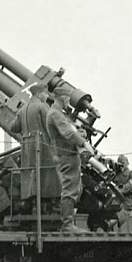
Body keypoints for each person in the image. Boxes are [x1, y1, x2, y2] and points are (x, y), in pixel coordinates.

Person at [46, 93, 94, 232]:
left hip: (70, 155)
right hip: (67, 156)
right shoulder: (55, 114)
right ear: (62, 98)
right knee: (70, 190)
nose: (69, 102)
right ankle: (67, 225)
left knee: (74, 189)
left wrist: (81, 133)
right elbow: (68, 133)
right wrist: (84, 143)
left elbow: (71, 130)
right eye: (68, 99)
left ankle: (69, 224)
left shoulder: (58, 114)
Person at [10, 83, 60, 214]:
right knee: (49, 173)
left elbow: (13, 127)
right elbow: (50, 125)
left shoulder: (23, 108)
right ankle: (50, 203)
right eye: (45, 94)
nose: (46, 96)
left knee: (30, 172)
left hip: (26, 146)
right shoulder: (42, 106)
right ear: (39, 94)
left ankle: (32, 202)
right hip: (41, 144)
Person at [105, 155, 132, 230]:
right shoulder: (116, 174)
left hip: (128, 199)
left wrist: (118, 190)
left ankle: (111, 223)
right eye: (120, 163)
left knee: (126, 208)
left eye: (123, 163)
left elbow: (130, 186)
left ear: (127, 163)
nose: (122, 165)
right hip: (116, 198)